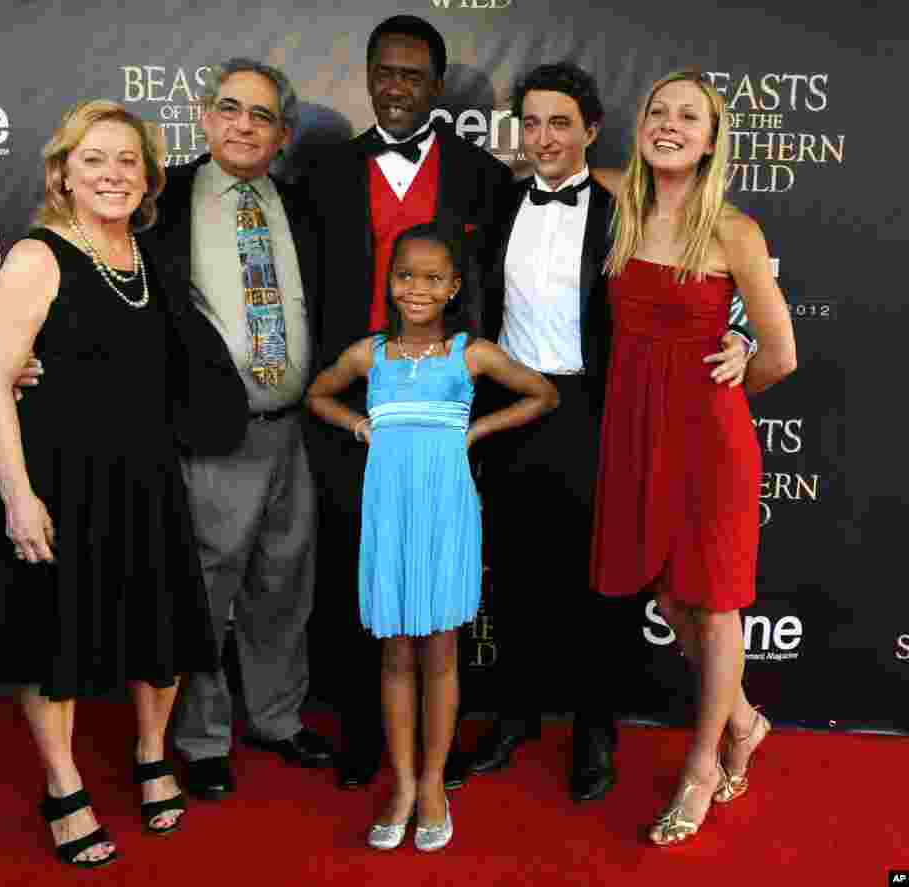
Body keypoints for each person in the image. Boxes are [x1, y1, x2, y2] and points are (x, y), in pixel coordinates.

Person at [14, 60, 333, 799]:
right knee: (205, 593)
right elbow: (86, 278)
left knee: (284, 585)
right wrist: (28, 352)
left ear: (283, 133)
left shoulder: (304, 205)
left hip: (297, 429)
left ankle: (278, 719)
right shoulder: (160, 201)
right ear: (206, 117)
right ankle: (202, 739)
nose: (244, 125)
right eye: (231, 109)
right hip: (210, 432)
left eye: (261, 115)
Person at [467, 62, 753, 803]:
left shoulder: (624, 205)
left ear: (592, 131)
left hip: (599, 408)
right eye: (531, 124)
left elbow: (698, 284)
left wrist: (741, 339)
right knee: (517, 574)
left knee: (603, 582)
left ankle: (596, 731)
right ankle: (514, 717)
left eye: (560, 123)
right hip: (511, 405)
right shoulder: (498, 202)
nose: (543, 138)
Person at [0, 100, 217, 868]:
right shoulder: (37, 256)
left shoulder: (147, 254)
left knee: (160, 630)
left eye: (128, 160)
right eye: (95, 159)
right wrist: (18, 496)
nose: (113, 174)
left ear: (147, 177)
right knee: (57, 636)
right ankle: (63, 784)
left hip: (146, 475)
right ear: (64, 173)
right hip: (59, 480)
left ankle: (151, 754)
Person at [301, 14, 513, 791]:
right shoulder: (321, 172)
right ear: (367, 75)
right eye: (384, 72)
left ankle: (439, 742)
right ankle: (366, 731)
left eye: (412, 75)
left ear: (437, 85)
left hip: (443, 400)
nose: (396, 87)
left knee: (440, 573)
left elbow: (498, 291)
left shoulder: (482, 175)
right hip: (355, 393)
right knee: (358, 562)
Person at [589, 70, 796, 845]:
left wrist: (732, 370)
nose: (669, 124)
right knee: (668, 592)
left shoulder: (735, 231)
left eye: (688, 117)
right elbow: (549, 161)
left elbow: (780, 353)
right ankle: (745, 720)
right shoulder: (618, 200)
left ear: (712, 141)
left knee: (712, 604)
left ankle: (703, 766)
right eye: (657, 111)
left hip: (709, 439)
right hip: (635, 430)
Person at [306, 223, 558, 851]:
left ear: (453, 288)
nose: (416, 288)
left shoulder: (469, 354)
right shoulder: (370, 355)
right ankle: (400, 785)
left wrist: (475, 431)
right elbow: (317, 394)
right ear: (389, 283)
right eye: (405, 276)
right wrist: (360, 425)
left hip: (446, 510)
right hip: (389, 512)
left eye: (432, 278)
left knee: (441, 652)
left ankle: (433, 785)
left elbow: (544, 394)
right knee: (395, 653)